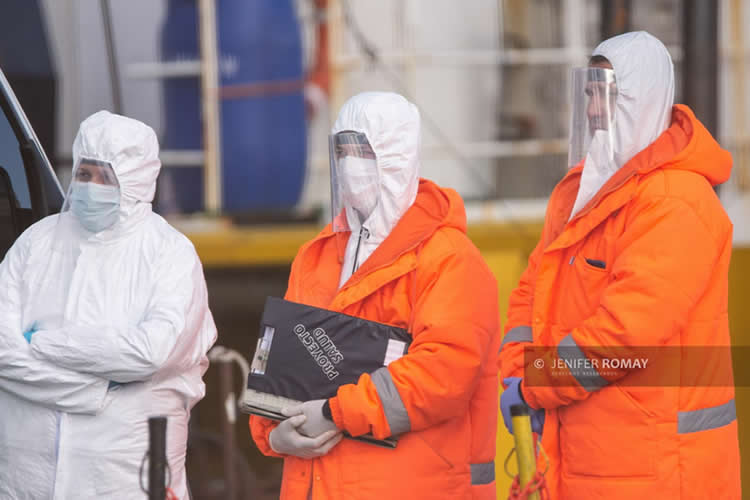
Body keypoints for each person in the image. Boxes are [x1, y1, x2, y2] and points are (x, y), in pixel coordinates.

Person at [498, 31, 741, 498]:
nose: (592, 109)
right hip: (584, 456)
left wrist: (532, 384)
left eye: (607, 94)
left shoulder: (677, 202)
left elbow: (627, 332)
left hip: (656, 470)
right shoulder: (579, 192)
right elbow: (531, 292)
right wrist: (515, 371)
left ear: (644, 99)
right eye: (589, 92)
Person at [249, 91, 501, 499]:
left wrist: (335, 412)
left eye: (362, 151)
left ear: (396, 155)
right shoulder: (316, 257)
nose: (350, 166)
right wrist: (272, 433)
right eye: (342, 151)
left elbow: (442, 375)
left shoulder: (449, 259)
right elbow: (275, 362)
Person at [0, 110, 217, 499]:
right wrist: (94, 390)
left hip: (124, 479)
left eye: (105, 176)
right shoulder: (37, 243)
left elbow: (149, 353)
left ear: (135, 180)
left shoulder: (169, 254)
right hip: (24, 480)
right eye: (84, 173)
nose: (90, 186)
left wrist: (43, 343)